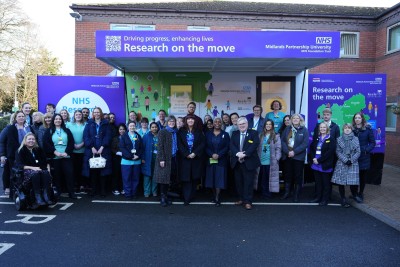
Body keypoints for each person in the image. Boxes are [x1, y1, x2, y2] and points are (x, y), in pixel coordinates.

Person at [43, 113, 77, 199]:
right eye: (56, 119)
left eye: (59, 119)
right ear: (53, 121)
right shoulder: (49, 131)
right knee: (57, 175)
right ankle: (58, 192)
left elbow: (71, 143)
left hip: (66, 156)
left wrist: (67, 152)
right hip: (55, 157)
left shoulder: (67, 131)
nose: (58, 120)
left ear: (62, 121)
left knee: (69, 174)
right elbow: (46, 144)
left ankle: (71, 193)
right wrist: (54, 152)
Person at [230, 116, 261, 210]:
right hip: (237, 161)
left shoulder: (254, 133)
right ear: (237, 125)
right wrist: (237, 154)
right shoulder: (234, 133)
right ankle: (241, 199)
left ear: (247, 124)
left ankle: (247, 201)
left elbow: (255, 144)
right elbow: (231, 145)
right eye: (240, 124)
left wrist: (244, 154)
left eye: (243, 124)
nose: (242, 126)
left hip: (249, 161)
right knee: (239, 182)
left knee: (248, 182)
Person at [1, 111, 34, 197]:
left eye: (23, 116)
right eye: (19, 116)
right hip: (13, 155)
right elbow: (2, 141)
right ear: (15, 118)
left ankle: (26, 192)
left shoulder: (29, 127)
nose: (21, 118)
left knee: (26, 173)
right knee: (14, 174)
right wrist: (2, 155)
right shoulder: (10, 128)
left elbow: (33, 139)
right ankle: (14, 193)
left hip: (27, 154)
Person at [15, 132, 54, 205]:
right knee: (35, 173)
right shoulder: (20, 151)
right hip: (26, 172)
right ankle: (37, 197)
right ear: (25, 140)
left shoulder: (38, 149)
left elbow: (44, 162)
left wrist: (47, 171)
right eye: (29, 139)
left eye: (33, 139)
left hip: (39, 169)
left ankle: (46, 195)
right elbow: (20, 165)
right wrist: (33, 168)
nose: (31, 141)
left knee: (45, 173)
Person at [83, 107, 113, 197]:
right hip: (91, 151)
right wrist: (91, 147)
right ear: (93, 114)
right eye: (95, 112)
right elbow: (86, 136)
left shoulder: (106, 123)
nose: (96, 114)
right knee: (93, 171)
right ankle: (94, 190)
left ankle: (103, 190)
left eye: (98, 112)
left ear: (101, 113)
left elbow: (108, 136)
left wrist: (102, 147)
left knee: (103, 171)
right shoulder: (89, 123)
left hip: (103, 151)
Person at [177, 114, 205, 205]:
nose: (190, 121)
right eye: (188, 119)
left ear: (195, 121)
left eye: (192, 119)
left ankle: (192, 195)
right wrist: (186, 154)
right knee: (186, 179)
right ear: (186, 121)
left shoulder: (199, 131)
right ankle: (186, 198)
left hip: (195, 158)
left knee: (194, 178)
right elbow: (179, 144)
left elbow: (202, 144)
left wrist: (195, 153)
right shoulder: (181, 131)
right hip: (185, 159)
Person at [281, 113, 309, 202]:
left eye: (297, 118)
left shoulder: (304, 130)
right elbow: (282, 142)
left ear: (300, 120)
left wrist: (294, 152)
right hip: (288, 156)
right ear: (291, 120)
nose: (295, 120)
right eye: (294, 118)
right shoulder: (287, 129)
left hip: (298, 157)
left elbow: (305, 144)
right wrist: (288, 152)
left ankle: (296, 195)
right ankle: (287, 193)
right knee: (288, 175)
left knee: (298, 176)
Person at [331, 123, 361, 207]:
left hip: (353, 163)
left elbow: (358, 151)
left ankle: (354, 195)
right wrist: (345, 160)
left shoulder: (356, 139)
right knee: (341, 182)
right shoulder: (339, 139)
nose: (347, 129)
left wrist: (351, 160)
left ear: (351, 129)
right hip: (342, 162)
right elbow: (338, 151)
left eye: (349, 128)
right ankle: (343, 198)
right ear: (343, 130)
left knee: (353, 182)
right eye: (345, 128)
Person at [154, 115, 179, 207]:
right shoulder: (163, 131)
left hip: (173, 158)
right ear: (167, 122)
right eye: (170, 121)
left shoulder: (176, 132)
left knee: (169, 179)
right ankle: (163, 198)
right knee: (163, 179)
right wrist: (161, 159)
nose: (172, 123)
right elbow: (160, 146)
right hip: (164, 159)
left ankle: (167, 197)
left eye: (173, 121)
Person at [309, 122, 336, 205]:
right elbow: (312, 148)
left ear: (327, 129)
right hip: (315, 164)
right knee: (318, 183)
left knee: (326, 184)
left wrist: (319, 160)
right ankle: (318, 197)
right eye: (321, 127)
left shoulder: (331, 139)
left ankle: (325, 199)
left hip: (325, 165)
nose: (322, 129)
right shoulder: (317, 138)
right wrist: (314, 158)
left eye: (324, 127)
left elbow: (330, 152)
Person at [205, 117, 230, 206]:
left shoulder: (225, 134)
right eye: (215, 121)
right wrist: (212, 154)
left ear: (221, 123)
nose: (217, 123)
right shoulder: (207, 134)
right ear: (213, 123)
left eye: (219, 122)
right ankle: (214, 195)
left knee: (219, 179)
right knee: (211, 178)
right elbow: (205, 147)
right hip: (211, 159)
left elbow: (227, 147)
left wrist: (219, 155)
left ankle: (217, 197)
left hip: (221, 160)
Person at [352, 112, 376, 203]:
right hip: (354, 157)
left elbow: (373, 143)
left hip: (364, 157)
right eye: (356, 118)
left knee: (362, 177)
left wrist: (366, 150)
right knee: (354, 176)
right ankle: (354, 194)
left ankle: (360, 193)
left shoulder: (368, 130)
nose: (357, 119)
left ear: (362, 119)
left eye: (359, 118)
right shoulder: (352, 129)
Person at [257, 119, 281, 199]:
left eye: (270, 124)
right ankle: (263, 193)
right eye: (267, 124)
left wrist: (277, 158)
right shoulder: (260, 135)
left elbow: (278, 148)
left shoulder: (276, 135)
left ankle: (268, 193)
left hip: (271, 160)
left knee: (269, 177)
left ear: (272, 126)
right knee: (262, 177)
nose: (268, 125)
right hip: (261, 159)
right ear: (264, 126)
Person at [119, 121, 143, 199]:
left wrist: (138, 155)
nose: (132, 127)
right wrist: (130, 156)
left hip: (137, 161)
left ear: (135, 127)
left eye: (133, 126)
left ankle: (134, 193)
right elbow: (122, 148)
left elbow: (141, 148)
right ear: (127, 127)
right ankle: (128, 194)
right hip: (126, 161)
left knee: (135, 178)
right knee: (126, 178)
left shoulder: (138, 136)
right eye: (130, 126)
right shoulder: (124, 136)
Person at [66, 110, 87, 194]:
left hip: (83, 150)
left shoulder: (86, 125)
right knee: (73, 169)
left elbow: (88, 136)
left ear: (82, 116)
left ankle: (82, 185)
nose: (78, 116)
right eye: (76, 114)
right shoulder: (69, 124)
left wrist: (81, 144)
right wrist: (73, 144)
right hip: (72, 150)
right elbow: (66, 136)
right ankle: (75, 185)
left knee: (82, 168)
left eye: (79, 114)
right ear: (74, 116)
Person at [141, 122, 159, 197]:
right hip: (147, 158)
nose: (154, 128)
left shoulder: (160, 136)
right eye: (152, 127)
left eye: (155, 127)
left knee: (155, 175)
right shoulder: (146, 136)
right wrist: (142, 158)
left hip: (157, 158)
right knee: (147, 175)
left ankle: (154, 191)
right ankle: (146, 192)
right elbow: (142, 148)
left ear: (157, 128)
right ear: (150, 128)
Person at [111, 123, 126, 195]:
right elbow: (112, 148)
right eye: (120, 129)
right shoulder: (115, 138)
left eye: (123, 129)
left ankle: (123, 188)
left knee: (124, 174)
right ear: (118, 130)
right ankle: (115, 188)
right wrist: (117, 152)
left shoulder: (128, 137)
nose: (122, 131)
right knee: (116, 174)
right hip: (117, 158)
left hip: (125, 158)